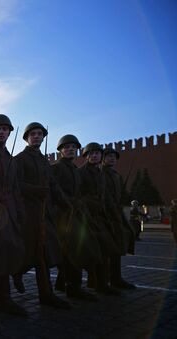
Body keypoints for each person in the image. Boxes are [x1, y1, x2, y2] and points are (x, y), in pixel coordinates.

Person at [14, 123, 71, 309]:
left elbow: (52, 185)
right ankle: (20, 274)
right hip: (29, 214)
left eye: (39, 134)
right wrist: (36, 190)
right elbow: (16, 185)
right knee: (32, 252)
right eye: (33, 134)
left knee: (45, 252)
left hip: (44, 213)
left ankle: (45, 293)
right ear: (26, 137)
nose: (36, 137)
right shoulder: (20, 159)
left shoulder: (43, 160)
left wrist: (66, 203)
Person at [0, 114, 27, 315]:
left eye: (4, 129)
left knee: (9, 252)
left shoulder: (11, 159)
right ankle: (2, 298)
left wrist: (18, 211)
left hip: (9, 210)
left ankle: (4, 296)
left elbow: (15, 188)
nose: (1, 132)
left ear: (9, 132)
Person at [51, 135, 101, 301]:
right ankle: (72, 287)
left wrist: (79, 202)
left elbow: (79, 192)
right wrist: (68, 201)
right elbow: (54, 190)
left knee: (78, 249)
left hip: (76, 213)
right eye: (66, 147)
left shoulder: (74, 169)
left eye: (73, 147)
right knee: (72, 250)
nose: (70, 149)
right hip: (63, 215)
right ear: (60, 150)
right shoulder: (56, 168)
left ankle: (68, 284)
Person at [78, 142, 122, 296]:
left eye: (97, 153)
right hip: (87, 217)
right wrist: (89, 206)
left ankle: (100, 282)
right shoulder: (81, 172)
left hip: (101, 216)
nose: (95, 156)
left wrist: (112, 212)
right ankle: (97, 283)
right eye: (91, 153)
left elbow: (105, 196)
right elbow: (79, 195)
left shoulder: (101, 173)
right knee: (94, 251)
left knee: (104, 249)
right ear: (86, 156)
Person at [102, 147, 137, 289]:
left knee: (118, 245)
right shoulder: (100, 173)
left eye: (113, 157)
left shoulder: (116, 175)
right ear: (103, 158)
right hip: (104, 214)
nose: (111, 158)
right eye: (108, 156)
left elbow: (119, 195)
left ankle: (116, 278)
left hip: (116, 213)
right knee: (106, 248)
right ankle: (104, 280)